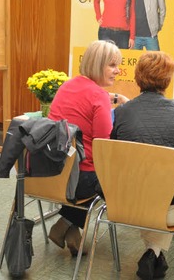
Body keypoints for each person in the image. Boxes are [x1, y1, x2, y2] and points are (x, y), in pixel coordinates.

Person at [111, 52, 174, 280]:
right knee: (165, 197)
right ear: (168, 80)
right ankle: (153, 253)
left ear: (137, 78)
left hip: (127, 204)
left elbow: (115, 153)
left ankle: (153, 255)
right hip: (171, 208)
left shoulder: (121, 112)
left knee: (149, 194)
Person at [47, 40, 128, 256]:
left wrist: (116, 98)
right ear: (97, 64)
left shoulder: (68, 85)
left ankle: (71, 232)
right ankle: (64, 223)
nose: (117, 71)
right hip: (80, 179)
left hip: (53, 172)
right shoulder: (97, 96)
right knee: (113, 175)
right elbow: (104, 143)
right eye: (112, 65)